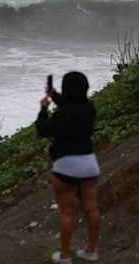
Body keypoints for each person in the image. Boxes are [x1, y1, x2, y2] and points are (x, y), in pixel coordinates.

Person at [35, 71, 101, 264]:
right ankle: (91, 250)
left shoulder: (63, 114)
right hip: (89, 164)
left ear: (67, 89)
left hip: (66, 166)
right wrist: (54, 95)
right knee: (92, 209)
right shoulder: (89, 108)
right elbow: (71, 107)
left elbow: (43, 131)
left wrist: (43, 109)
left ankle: (64, 256)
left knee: (67, 212)